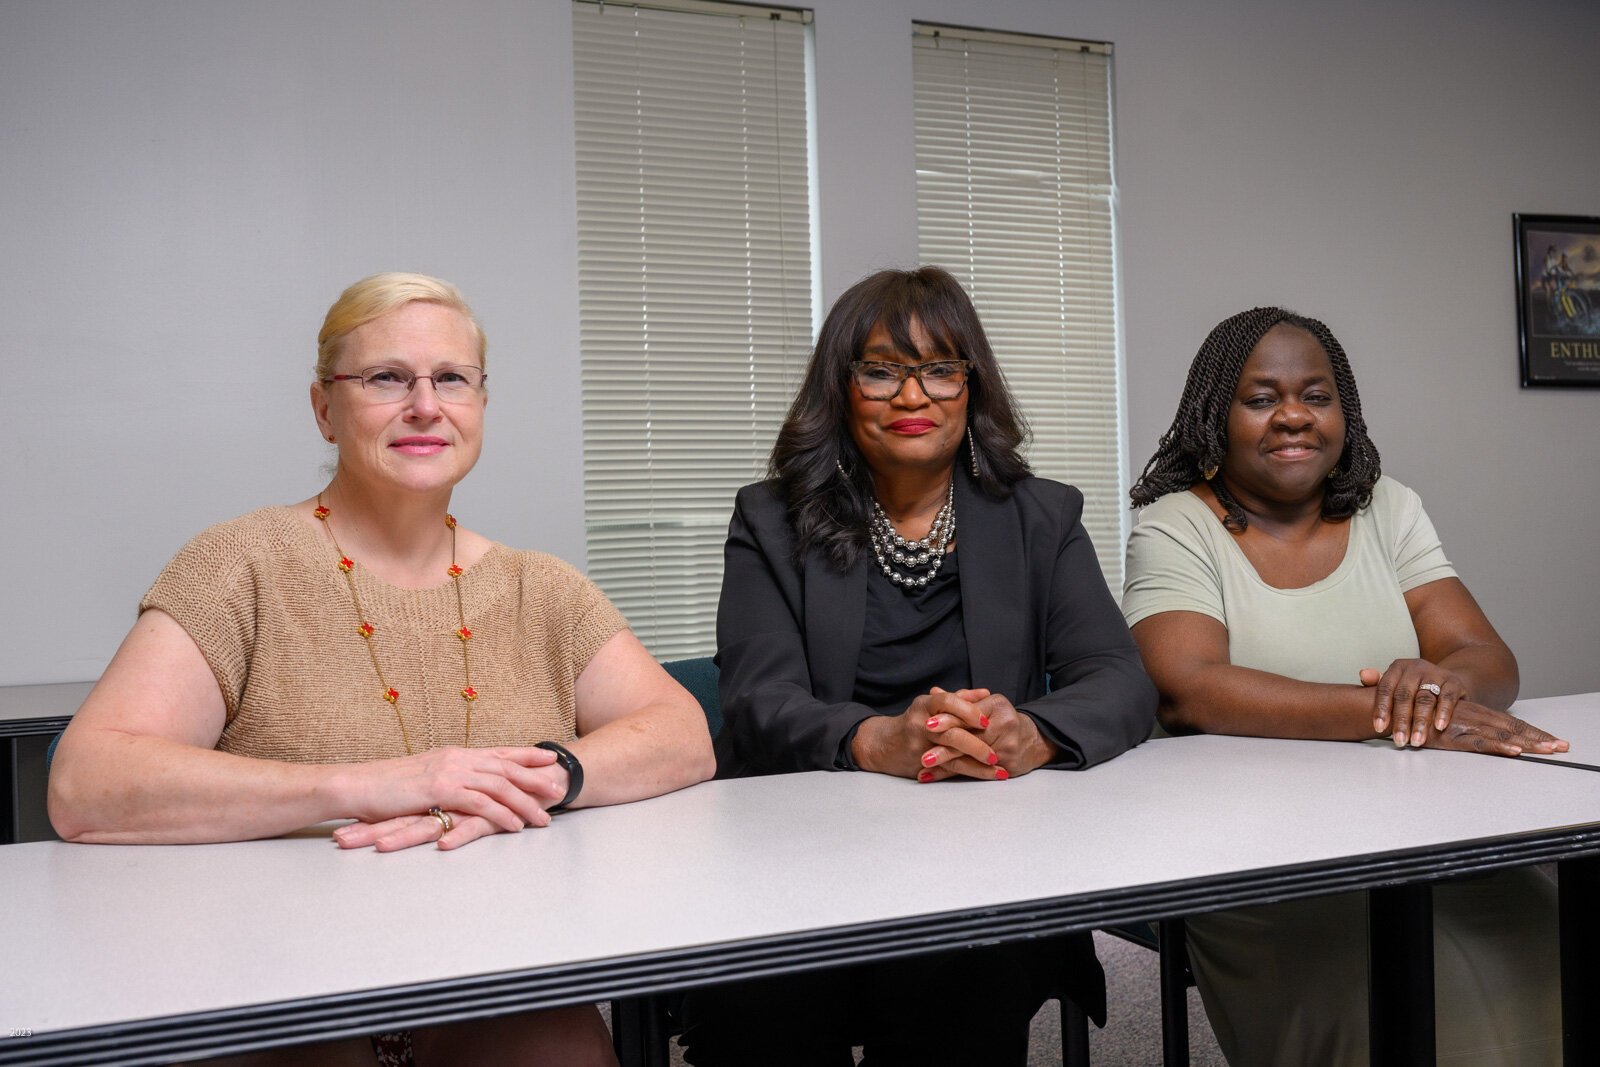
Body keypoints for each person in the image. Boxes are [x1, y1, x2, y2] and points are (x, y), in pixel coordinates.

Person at [48, 272, 716, 1067]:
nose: (425, 405)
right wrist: (368, 783)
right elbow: (85, 784)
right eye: (386, 378)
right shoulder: (239, 563)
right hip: (281, 987)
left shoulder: (543, 587)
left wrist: (539, 777)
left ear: (480, 403)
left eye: (452, 379)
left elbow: (683, 735)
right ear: (324, 407)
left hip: (495, 983)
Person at [681, 266, 1157, 1065]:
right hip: (797, 853)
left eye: (941, 368)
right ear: (841, 386)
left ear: (972, 386)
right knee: (772, 1013)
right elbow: (758, 699)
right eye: (881, 370)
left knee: (962, 997)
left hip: (973, 856)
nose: (914, 396)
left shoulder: (1043, 515)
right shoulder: (770, 518)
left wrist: (1029, 733)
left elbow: (1119, 677)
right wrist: (875, 740)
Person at [1122, 305, 1568, 1066]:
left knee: (1555, 959)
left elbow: (1486, 656)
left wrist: (1439, 685)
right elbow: (1189, 688)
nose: (1293, 416)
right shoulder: (1174, 525)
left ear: (1344, 410)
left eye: (1316, 395)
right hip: (1257, 849)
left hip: (1420, 826)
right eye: (1261, 398)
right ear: (1215, 415)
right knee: (1402, 1022)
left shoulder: (1388, 508)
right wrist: (1392, 710)